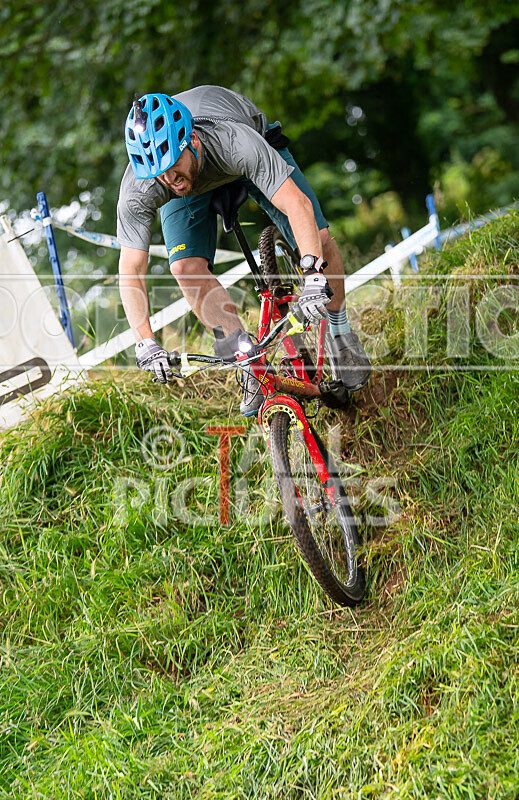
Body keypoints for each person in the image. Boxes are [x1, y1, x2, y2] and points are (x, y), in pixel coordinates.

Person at [117, 86, 371, 415]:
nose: (169, 177)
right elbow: (131, 269)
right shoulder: (146, 184)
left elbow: (296, 204)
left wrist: (312, 276)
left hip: (245, 149)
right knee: (184, 268)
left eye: (172, 164)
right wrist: (146, 342)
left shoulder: (235, 141)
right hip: (197, 183)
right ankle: (247, 360)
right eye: (158, 173)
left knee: (318, 239)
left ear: (192, 139)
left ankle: (340, 332)